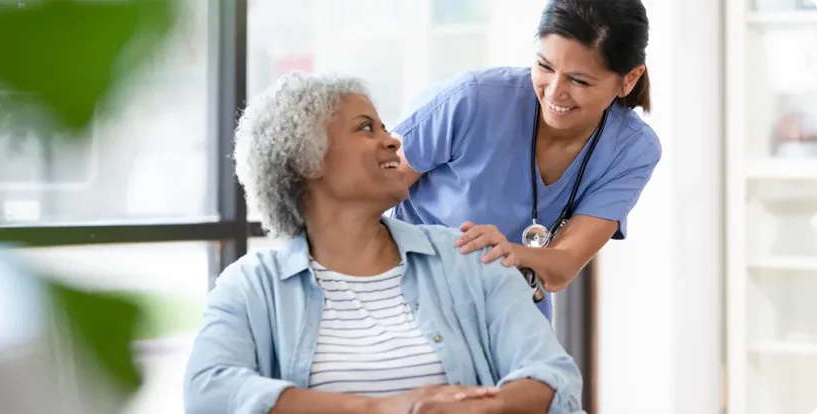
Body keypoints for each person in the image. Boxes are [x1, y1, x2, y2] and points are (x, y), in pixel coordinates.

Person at [183, 72, 584, 414]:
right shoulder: (253, 285)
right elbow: (209, 390)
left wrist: (473, 407)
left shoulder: (471, 256)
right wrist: (382, 407)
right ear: (307, 160)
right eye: (365, 127)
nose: (393, 141)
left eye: (385, 128)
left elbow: (554, 376)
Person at [390, 0, 662, 320]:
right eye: (545, 67)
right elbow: (366, 196)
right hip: (406, 306)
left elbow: (563, 266)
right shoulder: (474, 99)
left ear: (629, 79)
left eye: (579, 81)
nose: (555, 92)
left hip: (511, 322)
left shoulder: (632, 149)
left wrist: (507, 253)